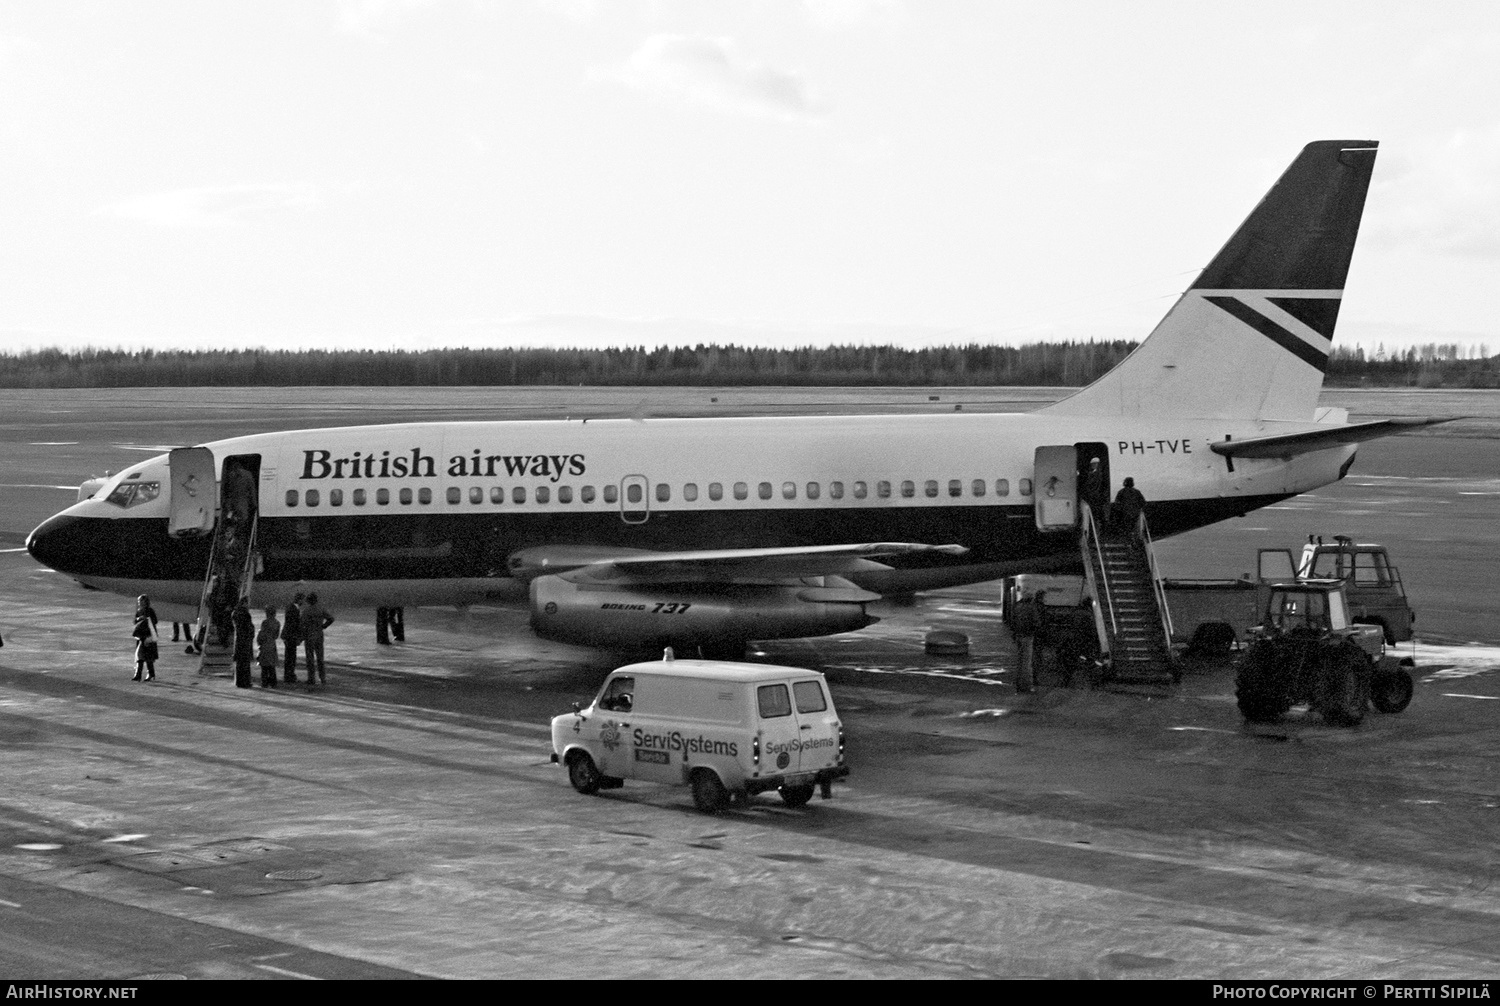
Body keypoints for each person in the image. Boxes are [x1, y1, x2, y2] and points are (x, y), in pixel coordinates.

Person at [1009, 589, 1043, 693]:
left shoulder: (1017, 606)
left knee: (1020, 661)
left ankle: (1018, 683)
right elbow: (1037, 623)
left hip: (1018, 635)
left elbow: (1012, 621)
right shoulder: (1031, 608)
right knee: (1027, 662)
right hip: (1027, 636)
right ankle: (1026, 686)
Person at [301, 592, 335, 688]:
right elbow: (331, 619)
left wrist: (302, 635)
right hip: (319, 634)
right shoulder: (321, 609)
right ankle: (322, 677)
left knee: (310, 658)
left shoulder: (306, 611)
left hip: (309, 635)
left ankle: (311, 678)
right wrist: (324, 626)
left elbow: (302, 624)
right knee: (320, 658)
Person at [131, 595, 159, 681]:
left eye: (141, 601)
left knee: (147, 657)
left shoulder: (149, 611)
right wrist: (139, 618)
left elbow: (155, 621)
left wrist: (146, 619)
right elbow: (135, 621)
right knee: (141, 656)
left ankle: (147, 674)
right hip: (141, 636)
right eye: (139, 601)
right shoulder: (139, 611)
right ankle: (141, 674)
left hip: (148, 636)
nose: (140, 603)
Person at [1079, 456, 1109, 525]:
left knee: (1096, 514)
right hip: (1095, 497)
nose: (1093, 465)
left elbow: (1091, 484)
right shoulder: (1094, 473)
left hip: (1095, 497)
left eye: (1094, 464)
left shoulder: (1098, 475)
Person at [281, 593, 304, 683]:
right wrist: (299, 636)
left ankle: (289, 675)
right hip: (291, 636)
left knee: (289, 656)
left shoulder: (290, 607)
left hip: (288, 635)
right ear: (299, 600)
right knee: (291, 656)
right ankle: (289, 676)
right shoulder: (294, 609)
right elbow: (294, 624)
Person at [257, 606, 281, 688]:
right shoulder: (277, 623)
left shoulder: (265, 622)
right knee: (272, 666)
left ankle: (264, 682)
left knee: (264, 666)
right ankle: (273, 682)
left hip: (265, 644)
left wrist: (259, 642)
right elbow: (276, 636)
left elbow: (262, 634)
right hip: (272, 644)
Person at [232, 600, 254, 688]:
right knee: (245, 663)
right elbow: (249, 627)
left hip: (239, 639)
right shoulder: (245, 614)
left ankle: (239, 681)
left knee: (239, 663)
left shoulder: (235, 613)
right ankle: (245, 682)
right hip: (245, 640)